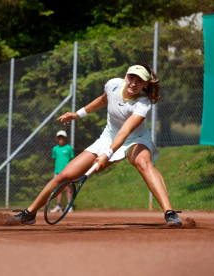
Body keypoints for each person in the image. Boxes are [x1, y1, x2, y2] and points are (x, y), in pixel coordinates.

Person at [12, 62, 182, 227]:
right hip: (107, 138)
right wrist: (77, 114)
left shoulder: (142, 104)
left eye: (139, 81)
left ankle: (169, 213)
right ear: (126, 76)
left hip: (135, 139)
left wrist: (107, 155)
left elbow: (124, 131)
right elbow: (102, 101)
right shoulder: (113, 85)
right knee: (64, 176)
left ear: (146, 84)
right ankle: (29, 214)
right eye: (131, 77)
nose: (133, 83)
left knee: (143, 163)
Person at [50, 130, 75, 213]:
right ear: (57, 138)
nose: (61, 139)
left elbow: (72, 160)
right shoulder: (55, 149)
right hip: (57, 172)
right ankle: (59, 206)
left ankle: (69, 206)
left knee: (68, 188)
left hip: (67, 172)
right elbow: (55, 159)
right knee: (58, 189)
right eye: (59, 137)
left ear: (65, 138)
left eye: (62, 137)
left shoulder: (69, 148)